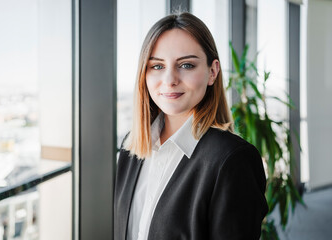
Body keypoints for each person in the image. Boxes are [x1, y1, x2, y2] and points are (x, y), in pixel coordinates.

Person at [114, 12, 268, 240]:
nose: (169, 79)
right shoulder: (132, 146)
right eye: (157, 66)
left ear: (212, 72)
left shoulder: (233, 160)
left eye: (186, 65)